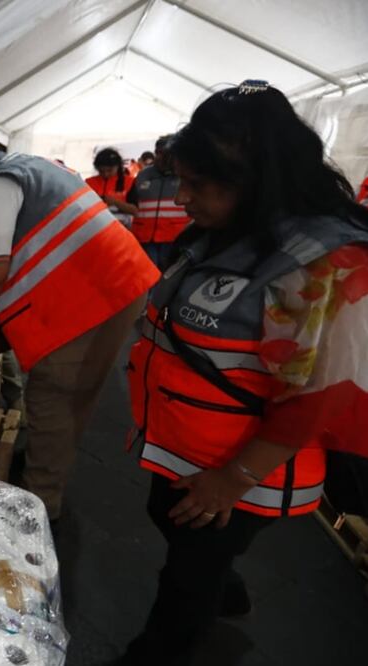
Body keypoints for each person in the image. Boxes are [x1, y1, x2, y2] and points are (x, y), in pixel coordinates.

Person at [118, 80, 368, 666]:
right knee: (171, 523)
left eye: (199, 185)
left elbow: (316, 397)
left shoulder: (318, 263)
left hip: (237, 470)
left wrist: (232, 480)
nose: (182, 198)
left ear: (258, 179)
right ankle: (221, 586)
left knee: (185, 585)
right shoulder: (229, 233)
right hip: (188, 450)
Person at [0, 131, 159, 522]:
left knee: (51, 396)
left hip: (90, 301)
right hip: (118, 286)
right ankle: (50, 464)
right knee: (76, 396)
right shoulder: (34, 166)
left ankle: (37, 509)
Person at [125, 134, 191, 268]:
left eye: (167, 154)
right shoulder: (143, 175)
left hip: (174, 237)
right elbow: (131, 201)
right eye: (159, 153)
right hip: (145, 237)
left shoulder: (185, 175)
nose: (162, 157)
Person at [86, 147, 138, 227]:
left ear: (118, 166)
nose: (106, 174)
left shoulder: (129, 182)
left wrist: (115, 202)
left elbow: (135, 210)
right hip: (95, 227)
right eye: (101, 171)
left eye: (109, 170)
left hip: (121, 229)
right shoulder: (89, 183)